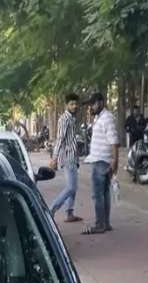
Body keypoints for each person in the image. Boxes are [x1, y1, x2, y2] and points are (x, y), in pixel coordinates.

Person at [82, 91, 119, 235]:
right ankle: (105, 223)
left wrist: (115, 160)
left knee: (98, 194)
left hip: (102, 161)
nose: (90, 107)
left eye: (92, 104)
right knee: (104, 193)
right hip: (101, 160)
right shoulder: (100, 117)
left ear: (100, 103)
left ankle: (100, 225)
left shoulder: (107, 118)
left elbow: (114, 141)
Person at [47, 93, 83, 223]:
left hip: (73, 156)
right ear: (66, 105)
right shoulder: (64, 119)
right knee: (71, 187)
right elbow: (60, 139)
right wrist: (54, 157)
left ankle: (70, 213)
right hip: (67, 157)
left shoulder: (72, 119)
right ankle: (51, 209)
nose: (74, 106)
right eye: (71, 104)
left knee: (72, 186)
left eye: (75, 103)